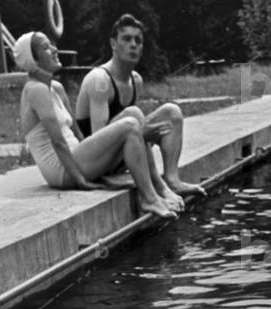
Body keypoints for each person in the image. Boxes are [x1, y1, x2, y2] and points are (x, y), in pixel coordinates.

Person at [15, 31, 178, 219]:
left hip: (76, 157)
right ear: (33, 61)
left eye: (51, 45)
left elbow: (76, 132)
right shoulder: (36, 90)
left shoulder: (56, 88)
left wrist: (96, 154)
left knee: (134, 113)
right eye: (45, 47)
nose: (54, 49)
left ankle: (159, 186)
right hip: (61, 171)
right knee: (130, 125)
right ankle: (150, 198)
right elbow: (58, 141)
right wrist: (80, 180)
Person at [75, 13, 206, 201]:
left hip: (118, 155)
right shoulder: (100, 80)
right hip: (94, 162)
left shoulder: (136, 80)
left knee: (172, 112)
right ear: (113, 44)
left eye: (138, 40)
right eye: (127, 39)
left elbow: (134, 131)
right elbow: (99, 139)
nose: (134, 45)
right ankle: (158, 187)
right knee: (134, 114)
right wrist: (144, 133)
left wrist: (143, 133)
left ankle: (172, 179)